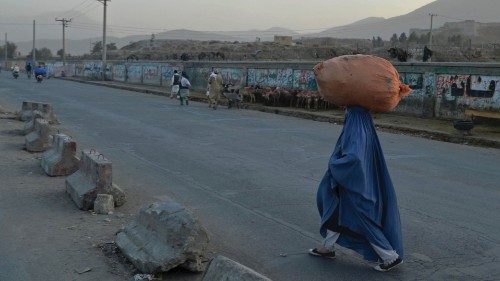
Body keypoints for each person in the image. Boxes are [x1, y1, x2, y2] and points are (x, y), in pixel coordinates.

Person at [310, 106, 404, 272]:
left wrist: (334, 163)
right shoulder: (363, 122)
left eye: (347, 111)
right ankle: (327, 247)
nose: (344, 113)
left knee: (362, 218)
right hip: (357, 180)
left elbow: (354, 157)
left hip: (355, 182)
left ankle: (390, 256)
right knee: (336, 210)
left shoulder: (355, 125)